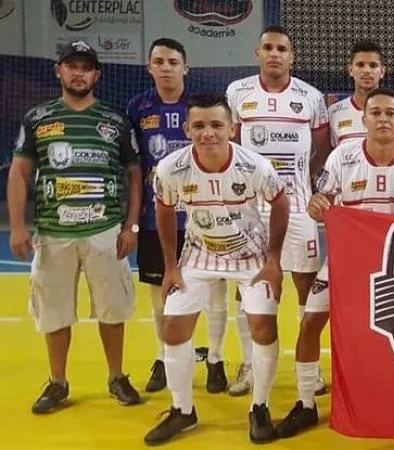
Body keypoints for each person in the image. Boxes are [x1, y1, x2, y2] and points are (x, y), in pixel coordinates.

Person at [274, 87, 394, 439]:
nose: (382, 119)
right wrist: (316, 204)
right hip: (345, 264)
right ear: (364, 119)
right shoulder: (342, 157)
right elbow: (322, 199)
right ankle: (305, 404)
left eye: (390, 113)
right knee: (310, 323)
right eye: (375, 113)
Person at [144, 93, 288, 445]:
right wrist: (170, 267)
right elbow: (164, 209)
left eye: (216, 125)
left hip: (250, 255)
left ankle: (260, 407)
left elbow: (280, 202)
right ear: (186, 128)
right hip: (197, 254)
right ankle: (183, 411)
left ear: (232, 129)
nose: (208, 133)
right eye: (199, 126)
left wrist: (272, 259)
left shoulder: (255, 166)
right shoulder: (170, 168)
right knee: (174, 329)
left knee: (263, 326)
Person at [8, 40, 142, 413]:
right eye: (72, 66)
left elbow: (135, 175)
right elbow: (20, 174)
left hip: (105, 231)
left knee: (112, 310)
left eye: (86, 67)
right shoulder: (37, 118)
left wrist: (130, 226)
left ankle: (116, 377)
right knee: (54, 312)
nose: (78, 73)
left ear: (97, 74)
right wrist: (18, 227)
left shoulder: (115, 121)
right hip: (53, 234)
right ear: (59, 71)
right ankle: (57, 382)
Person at [226, 25, 330, 397]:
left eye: (281, 49)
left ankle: (310, 368)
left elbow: (319, 150)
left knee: (306, 285)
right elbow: (232, 145)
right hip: (251, 209)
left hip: (300, 206)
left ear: (291, 55)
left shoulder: (311, 97)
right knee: (247, 287)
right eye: (267, 48)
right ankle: (249, 366)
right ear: (257, 53)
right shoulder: (237, 92)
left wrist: (298, 181)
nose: (274, 54)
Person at [127, 37, 228, 394]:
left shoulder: (201, 107)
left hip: (206, 215)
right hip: (159, 218)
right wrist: (133, 221)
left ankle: (215, 358)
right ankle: (164, 356)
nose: (166, 67)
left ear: (185, 67)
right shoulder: (138, 107)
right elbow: (135, 167)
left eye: (173, 61)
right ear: (150, 67)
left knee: (216, 289)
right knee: (162, 292)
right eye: (159, 61)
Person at [328, 39, 394, 146]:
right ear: (350, 70)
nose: (367, 70)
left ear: (382, 71)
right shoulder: (334, 113)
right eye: (360, 65)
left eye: (373, 65)